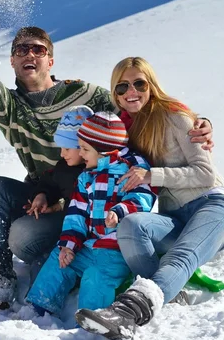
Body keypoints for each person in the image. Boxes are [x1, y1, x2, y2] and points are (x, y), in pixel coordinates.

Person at [0, 10, 213, 309]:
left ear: (50, 60)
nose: (30, 54)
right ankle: (0, 286)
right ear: (12, 61)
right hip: (48, 191)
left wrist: (195, 121)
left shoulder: (84, 94)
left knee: (25, 237)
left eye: (38, 49)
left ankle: (82, 256)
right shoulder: (10, 108)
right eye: (20, 50)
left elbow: (136, 105)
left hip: (97, 198)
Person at [75, 57, 224, 340]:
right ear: (115, 92)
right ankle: (167, 292)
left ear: (152, 85)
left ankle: (129, 312)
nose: (131, 91)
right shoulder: (125, 128)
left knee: (181, 255)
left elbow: (205, 174)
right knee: (131, 225)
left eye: (139, 83)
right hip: (175, 215)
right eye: (122, 86)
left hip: (212, 204)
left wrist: (153, 175)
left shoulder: (175, 116)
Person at [26, 112, 156, 316]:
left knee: (95, 277)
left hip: (116, 250)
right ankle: (38, 308)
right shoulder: (86, 177)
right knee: (58, 260)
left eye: (85, 149)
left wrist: (119, 212)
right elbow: (76, 213)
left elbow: (142, 198)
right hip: (88, 245)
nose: (82, 154)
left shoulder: (132, 169)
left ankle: (92, 319)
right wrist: (68, 245)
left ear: (105, 151)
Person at [0, 105, 94, 310]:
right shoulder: (66, 165)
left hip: (76, 233)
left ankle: (40, 300)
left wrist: (60, 205)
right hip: (55, 222)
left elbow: (89, 202)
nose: (62, 154)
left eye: (67, 148)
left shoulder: (97, 170)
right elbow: (52, 180)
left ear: (85, 146)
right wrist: (41, 195)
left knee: (40, 258)